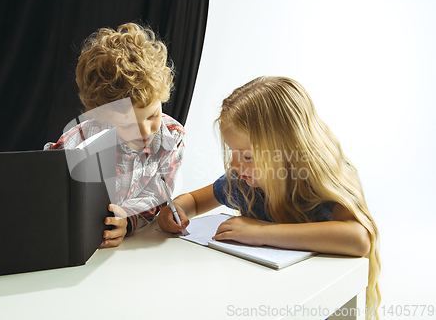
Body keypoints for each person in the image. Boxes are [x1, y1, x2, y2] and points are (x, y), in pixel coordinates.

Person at [158, 76, 380, 319]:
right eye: (233, 152)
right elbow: (197, 200)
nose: (233, 164)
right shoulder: (245, 183)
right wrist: (176, 208)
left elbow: (359, 239)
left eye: (247, 156)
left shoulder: (318, 181)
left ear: (287, 151)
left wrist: (260, 232)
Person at [45, 23, 185, 248]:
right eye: (128, 125)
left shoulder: (172, 137)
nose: (146, 132)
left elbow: (157, 195)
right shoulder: (82, 138)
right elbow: (46, 181)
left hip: (135, 251)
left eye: (152, 116)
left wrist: (128, 220)